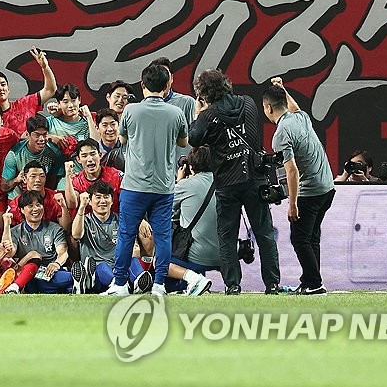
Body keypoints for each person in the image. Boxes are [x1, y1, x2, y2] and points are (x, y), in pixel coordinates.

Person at [190, 68, 281, 295]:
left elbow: (194, 138)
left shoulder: (207, 116)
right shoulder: (248, 103)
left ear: (204, 94)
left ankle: (233, 285)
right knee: (264, 233)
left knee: (227, 237)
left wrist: (199, 114)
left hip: (227, 181)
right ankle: (272, 283)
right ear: (226, 84)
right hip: (254, 176)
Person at [102, 64, 188, 298]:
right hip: (164, 187)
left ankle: (120, 284)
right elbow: (183, 143)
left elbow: (122, 139)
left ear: (142, 85)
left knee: (126, 235)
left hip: (134, 186)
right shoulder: (177, 113)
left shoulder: (131, 111)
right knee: (162, 236)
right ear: (167, 85)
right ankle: (159, 285)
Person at [262, 78, 336, 295]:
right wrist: (283, 89)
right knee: (311, 237)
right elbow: (295, 107)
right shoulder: (300, 118)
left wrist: (292, 203)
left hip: (310, 191)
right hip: (327, 187)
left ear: (268, 108)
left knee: (300, 238)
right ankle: (311, 281)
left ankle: (314, 283)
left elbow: (291, 171)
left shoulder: (282, 133)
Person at [167, 146, 218, 296]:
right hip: (229, 254)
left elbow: (167, 212)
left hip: (198, 257)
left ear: (190, 165)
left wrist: (179, 181)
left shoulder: (185, 185)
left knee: (160, 262)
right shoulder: (225, 183)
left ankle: (194, 279)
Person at [3, 191, 72, 294]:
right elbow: (9, 253)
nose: (35, 209)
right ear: (22, 210)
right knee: (69, 279)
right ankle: (75, 280)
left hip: (50, 272)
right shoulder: (15, 231)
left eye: (38, 205)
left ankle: (73, 283)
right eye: (30, 206)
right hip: (29, 275)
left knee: (63, 279)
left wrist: (56, 263)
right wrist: (7, 225)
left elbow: (63, 251)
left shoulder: (54, 228)